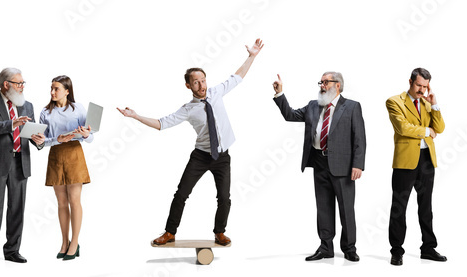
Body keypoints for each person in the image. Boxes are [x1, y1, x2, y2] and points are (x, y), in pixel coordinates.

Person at [118, 38, 264, 249]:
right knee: (181, 194)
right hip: (201, 156)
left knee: (224, 197)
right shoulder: (188, 109)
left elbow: (238, 75)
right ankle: (169, 232)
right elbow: (161, 124)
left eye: (203, 80)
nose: (201, 85)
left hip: (222, 156)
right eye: (196, 82)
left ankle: (219, 232)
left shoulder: (217, 92)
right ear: (188, 85)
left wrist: (251, 56)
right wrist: (135, 116)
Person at [271, 71, 366, 262]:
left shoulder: (352, 107)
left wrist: (358, 165)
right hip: (319, 163)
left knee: (346, 209)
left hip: (343, 167)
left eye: (325, 82)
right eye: (320, 82)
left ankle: (349, 248)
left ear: (337, 85)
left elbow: (360, 138)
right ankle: (325, 247)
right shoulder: (314, 105)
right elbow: (290, 115)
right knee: (323, 207)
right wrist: (280, 94)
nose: (321, 86)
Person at [0, 67, 46, 268]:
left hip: (20, 162)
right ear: (6, 85)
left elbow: (30, 133)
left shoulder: (27, 105)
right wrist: (11, 123)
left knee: (17, 208)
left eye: (23, 83)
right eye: (18, 83)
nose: (22, 87)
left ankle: (12, 250)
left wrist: (38, 140)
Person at [385, 68, 447, 266]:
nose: (422, 90)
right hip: (405, 162)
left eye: (425, 86)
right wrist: (426, 131)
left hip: (427, 160)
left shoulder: (427, 102)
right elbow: (402, 128)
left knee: (426, 207)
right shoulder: (394, 101)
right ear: (410, 81)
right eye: (419, 85)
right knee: (399, 207)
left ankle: (428, 248)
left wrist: (434, 105)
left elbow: (440, 128)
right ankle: (396, 250)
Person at [39, 75, 92, 260]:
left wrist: (86, 134)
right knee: (61, 202)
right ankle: (64, 242)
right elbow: (42, 141)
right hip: (55, 154)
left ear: (67, 91)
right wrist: (56, 139)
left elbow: (91, 136)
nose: (53, 92)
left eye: (56, 89)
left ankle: (75, 242)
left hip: (74, 154)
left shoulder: (78, 109)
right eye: (51, 88)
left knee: (74, 201)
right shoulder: (45, 112)